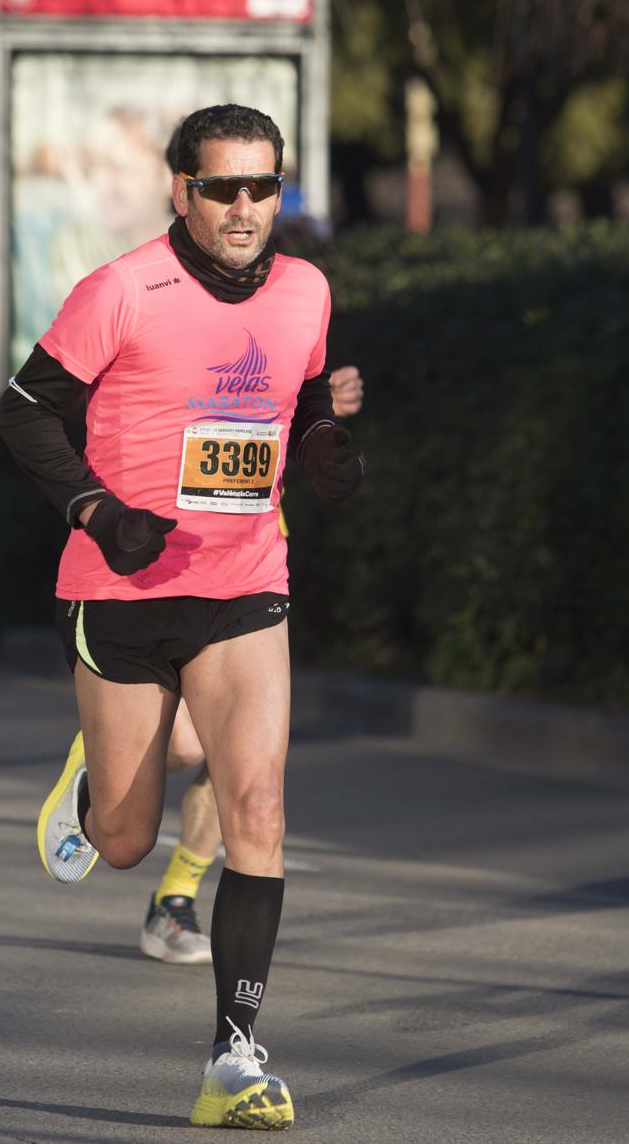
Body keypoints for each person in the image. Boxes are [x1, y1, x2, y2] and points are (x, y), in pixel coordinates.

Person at [0, 104, 365, 1130]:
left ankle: (235, 1053)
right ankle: (89, 792)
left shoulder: (305, 291)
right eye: (222, 188)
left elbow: (298, 426)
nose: (245, 208)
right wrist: (95, 510)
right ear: (181, 191)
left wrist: (330, 449)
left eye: (262, 187)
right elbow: (20, 408)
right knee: (121, 840)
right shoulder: (122, 289)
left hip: (245, 581)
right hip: (121, 584)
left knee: (258, 806)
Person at [138, 362, 363, 967]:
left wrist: (319, 412)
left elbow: (269, 432)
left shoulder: (282, 326)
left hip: (254, 563)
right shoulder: (168, 317)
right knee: (183, 748)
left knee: (236, 753)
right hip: (165, 561)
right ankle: (102, 747)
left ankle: (174, 899)